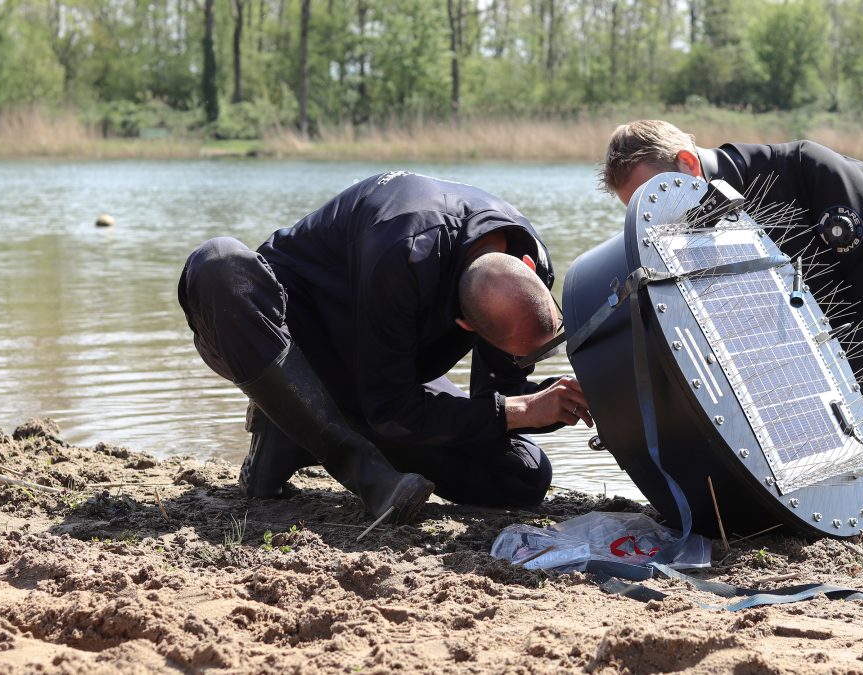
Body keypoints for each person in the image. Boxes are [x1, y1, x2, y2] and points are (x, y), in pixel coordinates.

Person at [178, 171, 593, 525]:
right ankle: (354, 461)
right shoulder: (405, 253)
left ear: (530, 270)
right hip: (288, 345)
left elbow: (496, 401)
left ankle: (293, 429)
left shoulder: (525, 252)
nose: (526, 358)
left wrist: (563, 401)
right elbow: (393, 409)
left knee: (521, 475)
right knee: (219, 264)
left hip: (382, 373)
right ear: (465, 323)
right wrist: (519, 410)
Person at [600, 120, 863, 502]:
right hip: (761, 413)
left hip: (857, 394)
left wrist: (817, 387)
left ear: (688, 164)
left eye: (657, 194)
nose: (659, 218)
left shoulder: (810, 172)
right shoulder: (683, 230)